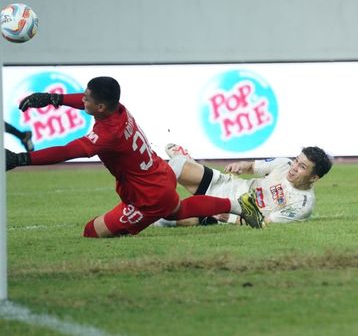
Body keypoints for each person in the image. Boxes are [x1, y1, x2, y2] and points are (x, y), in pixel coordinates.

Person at [4, 77, 266, 237]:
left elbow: (67, 151)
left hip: (147, 196)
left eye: (86, 99)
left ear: (101, 107)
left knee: (91, 231)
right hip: (159, 176)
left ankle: (234, 206)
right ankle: (237, 205)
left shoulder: (108, 134)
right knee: (177, 211)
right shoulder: (118, 110)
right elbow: (87, 106)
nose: (81, 101)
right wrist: (54, 98)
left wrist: (20, 160)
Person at [156, 143, 333, 227]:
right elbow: (252, 166)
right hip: (228, 185)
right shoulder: (284, 164)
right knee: (176, 166)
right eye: (296, 161)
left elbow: (266, 224)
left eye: (302, 167)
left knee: (163, 220)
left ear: (314, 178)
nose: (294, 168)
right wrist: (241, 166)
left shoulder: (301, 204)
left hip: (230, 212)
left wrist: (232, 219)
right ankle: (186, 162)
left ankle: (189, 162)